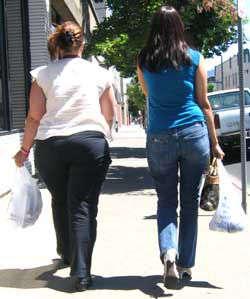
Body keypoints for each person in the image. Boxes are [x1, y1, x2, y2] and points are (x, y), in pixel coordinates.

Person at [13, 21, 115, 292]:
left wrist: (24, 151)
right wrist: (103, 139)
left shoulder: (43, 75)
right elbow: (109, 115)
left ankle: (66, 252)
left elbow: (33, 118)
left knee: (60, 199)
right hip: (89, 143)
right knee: (82, 206)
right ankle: (81, 272)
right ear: (82, 44)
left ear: (58, 44)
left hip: (51, 147)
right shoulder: (100, 74)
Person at [137, 6, 225, 288]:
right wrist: (214, 143)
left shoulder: (144, 59)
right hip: (193, 133)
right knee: (189, 201)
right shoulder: (194, 58)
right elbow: (205, 103)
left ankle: (169, 253)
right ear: (179, 27)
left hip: (160, 135)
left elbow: (148, 94)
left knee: (165, 200)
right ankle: (186, 264)